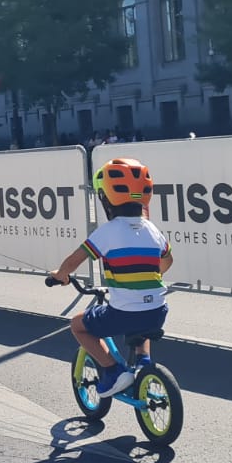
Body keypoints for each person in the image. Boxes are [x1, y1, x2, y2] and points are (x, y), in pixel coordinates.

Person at [47, 158, 174, 399]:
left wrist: (61, 275)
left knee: (78, 324)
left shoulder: (106, 232)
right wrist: (149, 275)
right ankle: (144, 363)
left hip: (123, 313)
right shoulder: (152, 229)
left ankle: (112, 370)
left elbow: (74, 260)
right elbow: (167, 261)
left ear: (106, 199)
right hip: (159, 310)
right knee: (143, 322)